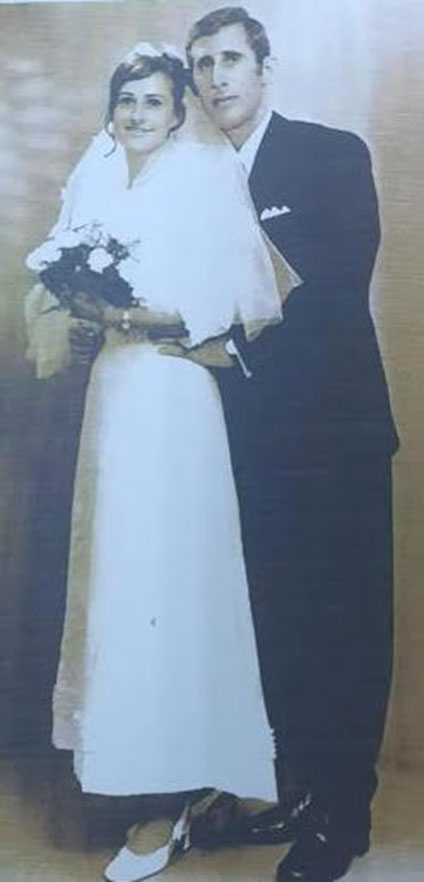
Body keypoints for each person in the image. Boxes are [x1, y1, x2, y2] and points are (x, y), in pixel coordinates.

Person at [26, 45, 300, 882]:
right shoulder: (99, 183)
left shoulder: (203, 181)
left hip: (176, 395)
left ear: (179, 112)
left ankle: (178, 789)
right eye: (127, 102)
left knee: (173, 579)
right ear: (112, 113)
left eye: (153, 101)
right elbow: (54, 287)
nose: (138, 114)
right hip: (113, 395)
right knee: (118, 573)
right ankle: (130, 764)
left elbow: (233, 301)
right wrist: (79, 306)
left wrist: (125, 313)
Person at [162, 8, 398, 882]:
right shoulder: (189, 175)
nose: (216, 78)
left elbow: (336, 290)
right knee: (276, 623)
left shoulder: (330, 155)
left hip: (334, 433)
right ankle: (298, 791)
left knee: (345, 625)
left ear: (264, 69)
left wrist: (230, 349)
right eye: (201, 65)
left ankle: (345, 817)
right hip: (241, 440)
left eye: (231, 59)